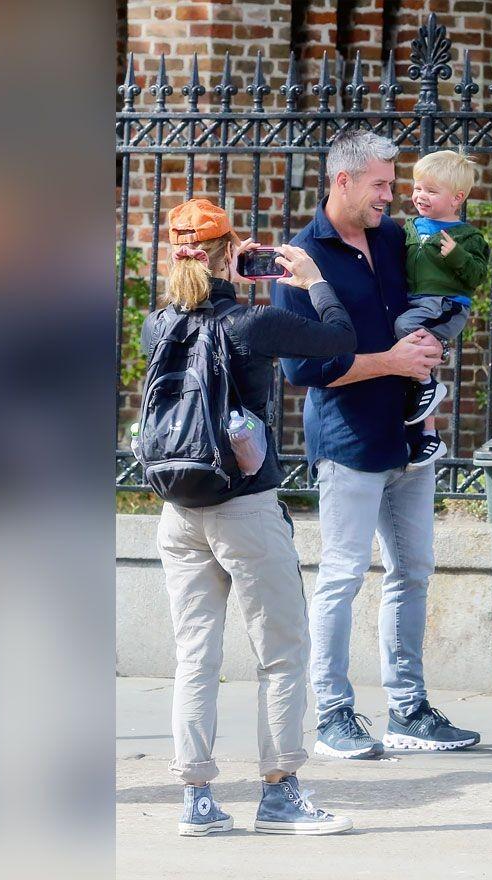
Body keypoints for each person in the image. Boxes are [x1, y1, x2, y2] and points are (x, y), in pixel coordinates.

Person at [144, 197, 356, 836]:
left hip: (179, 511)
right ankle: (281, 792)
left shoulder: (158, 324)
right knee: (283, 653)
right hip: (244, 507)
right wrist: (310, 280)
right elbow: (340, 343)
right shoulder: (251, 325)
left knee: (194, 656)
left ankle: (197, 801)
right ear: (229, 252)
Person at [271, 130, 482, 758]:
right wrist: (390, 361)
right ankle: (333, 715)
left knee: (412, 573)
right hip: (349, 440)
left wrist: (432, 343)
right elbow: (300, 370)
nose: (392, 196)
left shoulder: (396, 238)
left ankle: (408, 710)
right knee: (340, 578)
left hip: (411, 436)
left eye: (394, 184)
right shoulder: (302, 258)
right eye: (381, 185)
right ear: (343, 181)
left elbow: (441, 297)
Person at [395, 149, 490, 466]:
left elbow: (477, 276)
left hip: (447, 305)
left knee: (404, 331)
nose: (420, 196)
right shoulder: (411, 228)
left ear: (456, 199)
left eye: (431, 191)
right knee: (416, 363)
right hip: (418, 305)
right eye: (418, 187)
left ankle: (428, 386)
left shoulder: (467, 236)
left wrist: (456, 254)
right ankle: (430, 438)